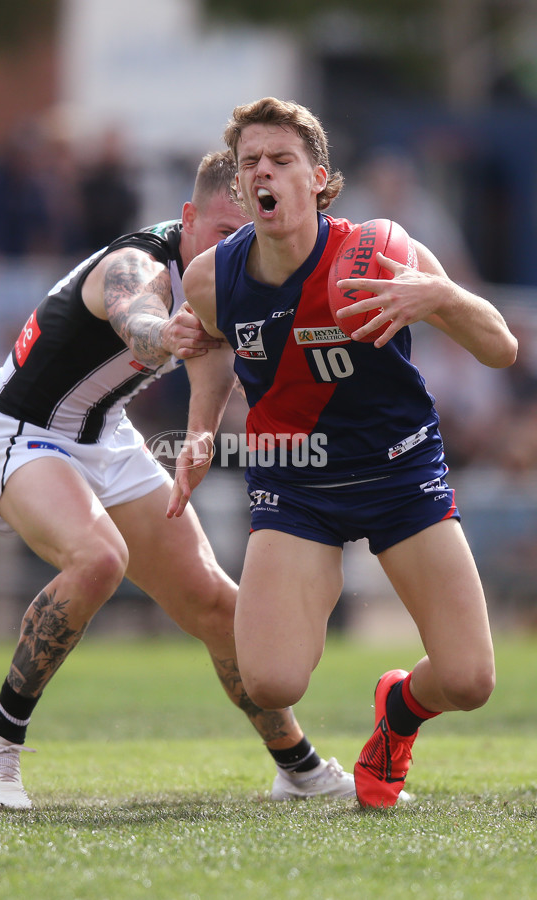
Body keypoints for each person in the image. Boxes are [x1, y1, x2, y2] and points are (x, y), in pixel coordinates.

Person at [0, 150, 356, 809]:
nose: (236, 248)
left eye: (247, 235)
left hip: (103, 433)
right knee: (98, 560)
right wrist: (160, 331)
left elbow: (211, 360)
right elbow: (137, 320)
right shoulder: (136, 264)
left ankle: (298, 765)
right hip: (18, 430)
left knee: (218, 604)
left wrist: (200, 434)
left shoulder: (228, 278)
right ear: (188, 218)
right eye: (224, 232)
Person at [167, 98, 518, 808]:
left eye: (281, 160)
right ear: (239, 189)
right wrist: (201, 429)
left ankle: (399, 712)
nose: (263, 173)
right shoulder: (212, 276)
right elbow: (206, 345)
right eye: (249, 164)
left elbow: (501, 347)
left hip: (400, 473)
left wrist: (439, 295)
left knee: (470, 682)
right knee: (270, 682)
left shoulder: (382, 249)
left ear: (319, 179)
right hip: (296, 484)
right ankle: (309, 597)